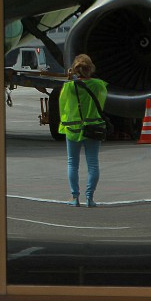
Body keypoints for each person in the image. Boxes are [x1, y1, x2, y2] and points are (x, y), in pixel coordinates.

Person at [58, 54, 108, 208]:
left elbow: (63, 106)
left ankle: (75, 197)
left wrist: (70, 79)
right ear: (90, 68)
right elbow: (102, 101)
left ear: (74, 69)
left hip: (73, 128)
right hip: (93, 128)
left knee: (72, 163)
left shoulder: (69, 87)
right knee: (93, 163)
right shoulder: (99, 85)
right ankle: (90, 198)